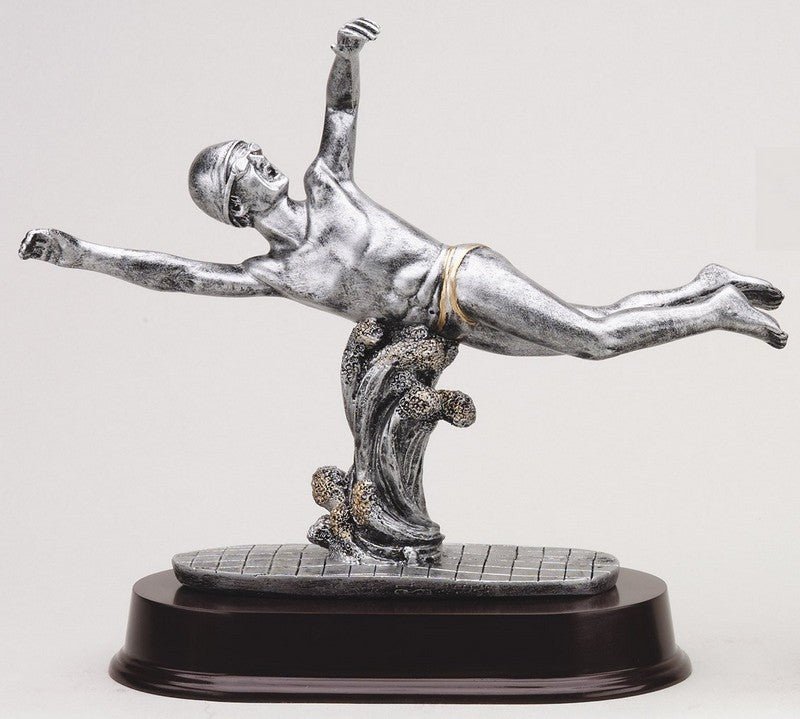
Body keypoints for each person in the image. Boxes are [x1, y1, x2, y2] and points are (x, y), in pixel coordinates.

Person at [19, 18, 786, 359]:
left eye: (253, 149)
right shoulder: (272, 272)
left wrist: (344, 54)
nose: (259, 158)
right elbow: (178, 275)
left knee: (593, 337)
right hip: (442, 326)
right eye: (242, 164)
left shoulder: (326, 183)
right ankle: (705, 284)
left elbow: (340, 113)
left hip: (459, 276)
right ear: (235, 205)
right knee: (597, 330)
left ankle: (716, 308)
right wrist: (82, 254)